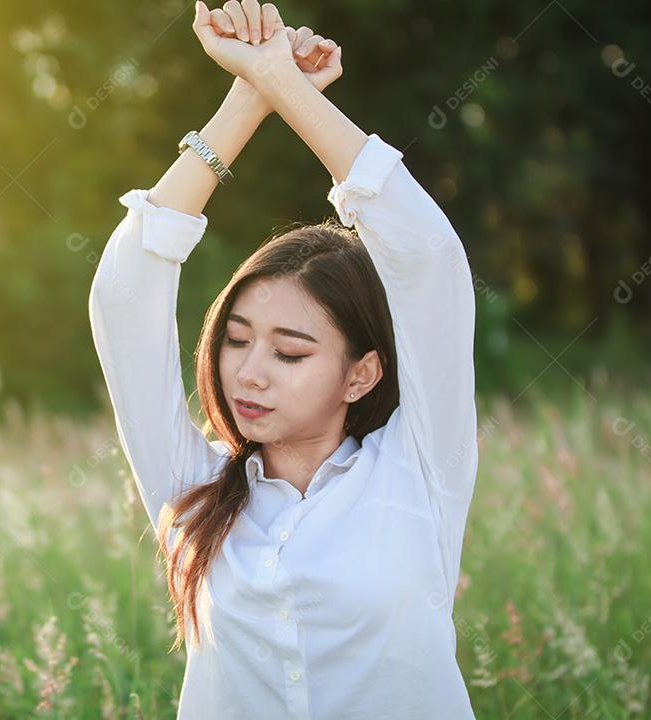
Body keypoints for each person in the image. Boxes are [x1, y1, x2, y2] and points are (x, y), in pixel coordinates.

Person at [88, 2, 479, 717]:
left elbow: (426, 258)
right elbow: (124, 296)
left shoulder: (418, 469)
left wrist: (289, 90)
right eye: (236, 339)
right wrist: (248, 95)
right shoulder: (193, 486)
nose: (249, 371)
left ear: (361, 373)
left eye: (290, 351)